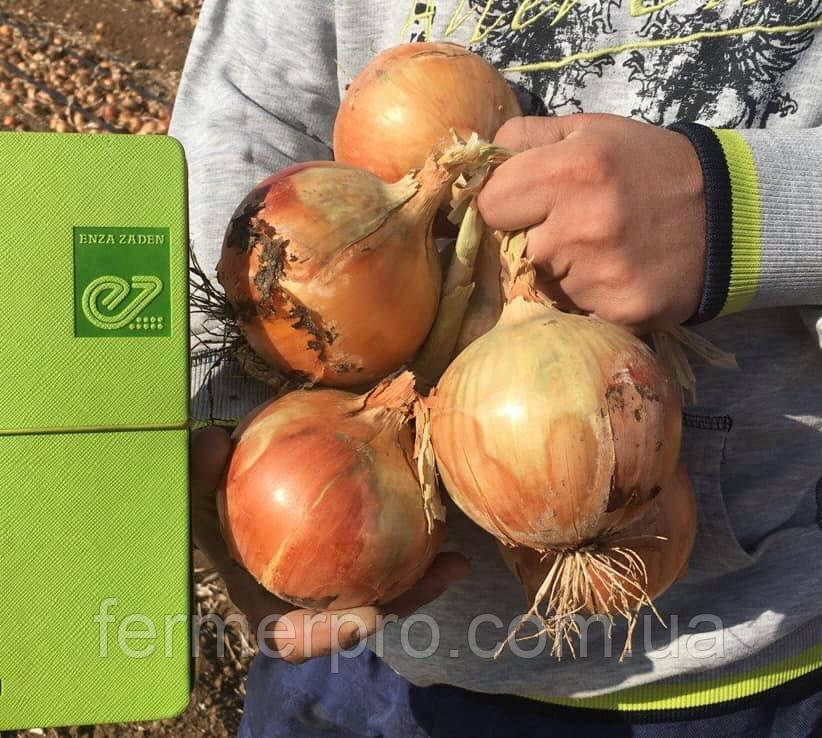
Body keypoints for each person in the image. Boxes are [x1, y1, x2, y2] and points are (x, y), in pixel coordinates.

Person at [170, 1, 822, 735]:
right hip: (366, 643)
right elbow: (251, 113)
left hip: (735, 663)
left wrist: (745, 213)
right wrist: (227, 429)